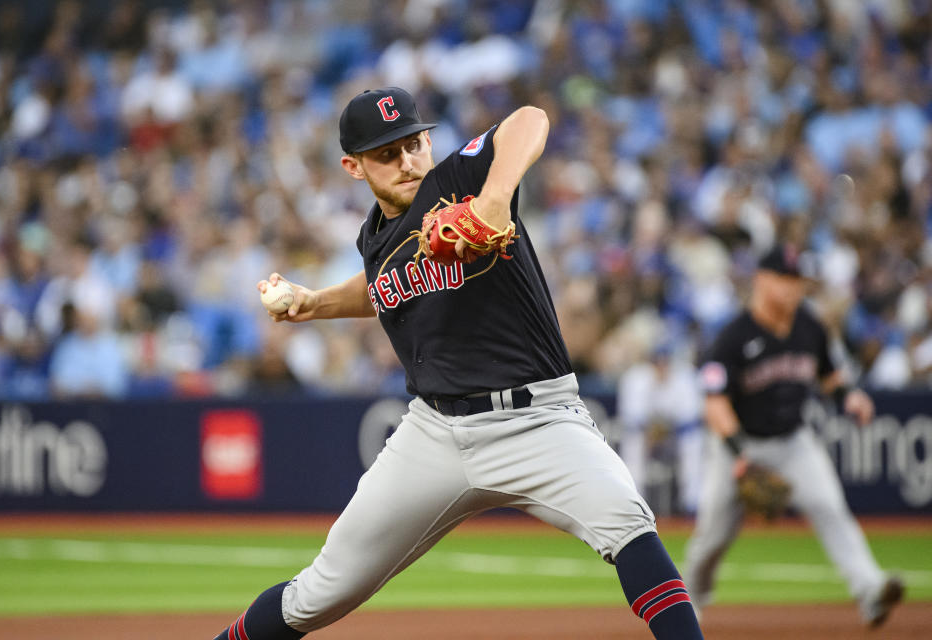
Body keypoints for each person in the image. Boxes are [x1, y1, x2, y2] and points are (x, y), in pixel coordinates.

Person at [213, 87, 703, 639]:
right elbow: (385, 285)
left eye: (414, 144)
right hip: (435, 432)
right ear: (354, 167)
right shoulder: (373, 236)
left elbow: (529, 119)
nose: (406, 162)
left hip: (536, 419)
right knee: (316, 595)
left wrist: (494, 197)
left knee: (629, 526)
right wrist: (317, 303)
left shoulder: (456, 182)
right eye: (386, 154)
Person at [684, 243, 904, 627]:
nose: (793, 289)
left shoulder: (810, 327)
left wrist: (848, 396)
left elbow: (829, 376)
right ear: (761, 280)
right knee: (711, 539)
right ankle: (688, 603)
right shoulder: (733, 337)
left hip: (793, 442)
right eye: (784, 280)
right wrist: (740, 455)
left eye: (797, 281)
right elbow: (714, 405)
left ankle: (871, 592)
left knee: (830, 507)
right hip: (738, 444)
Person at [618, 341, 704, 515]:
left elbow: (691, 420)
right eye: (657, 363)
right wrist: (651, 432)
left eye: (665, 363)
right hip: (646, 435)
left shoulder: (686, 376)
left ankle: (692, 503)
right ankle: (634, 501)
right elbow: (632, 419)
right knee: (633, 440)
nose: (661, 367)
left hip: (675, 437)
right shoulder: (635, 378)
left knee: (693, 441)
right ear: (650, 363)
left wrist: (665, 432)